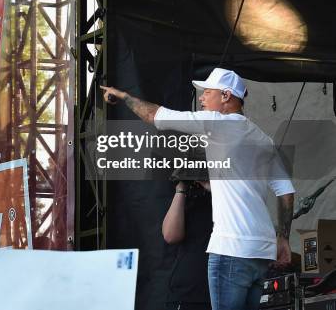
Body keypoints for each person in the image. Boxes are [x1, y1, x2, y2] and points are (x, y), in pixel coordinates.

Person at [101, 68, 295, 310]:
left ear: (225, 96)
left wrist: (121, 95)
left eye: (207, 92)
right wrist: (284, 238)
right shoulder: (263, 139)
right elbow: (285, 190)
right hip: (261, 251)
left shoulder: (216, 123)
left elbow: (155, 116)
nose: (201, 98)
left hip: (231, 249)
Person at [163, 180, 213, 310]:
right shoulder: (188, 194)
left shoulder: (229, 192)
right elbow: (170, 235)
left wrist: (213, 188)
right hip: (189, 290)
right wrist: (181, 189)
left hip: (225, 286)